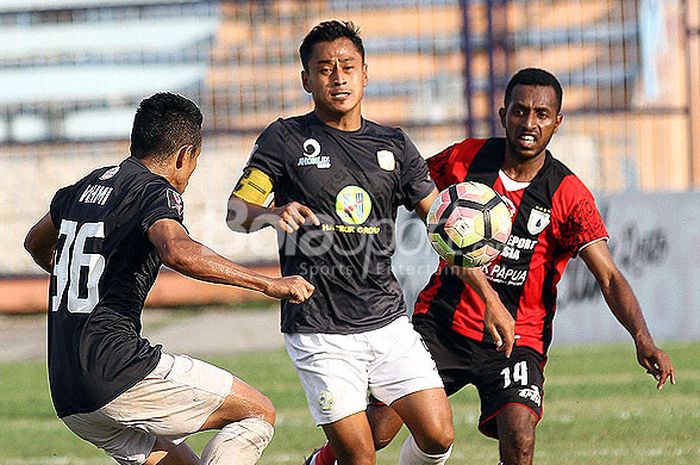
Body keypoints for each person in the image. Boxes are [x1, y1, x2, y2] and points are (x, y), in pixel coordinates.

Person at [303, 68, 676, 465]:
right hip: (442, 324)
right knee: (378, 430)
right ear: (503, 115)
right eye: (520, 112)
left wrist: (642, 337)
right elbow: (402, 186)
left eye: (542, 114)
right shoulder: (465, 158)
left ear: (557, 122)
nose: (529, 124)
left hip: (516, 340)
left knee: (520, 439)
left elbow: (609, 275)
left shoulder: (568, 194)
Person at [226, 20, 515, 465]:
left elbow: (449, 227)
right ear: (307, 79)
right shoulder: (285, 139)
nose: (337, 77)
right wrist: (270, 213)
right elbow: (236, 212)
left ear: (365, 73)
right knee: (360, 458)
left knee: (438, 436)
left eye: (347, 66)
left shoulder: (394, 146)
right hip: (318, 328)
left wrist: (490, 299)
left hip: (385, 320)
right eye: (324, 69)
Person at [24, 92, 315, 465]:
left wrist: (86, 275)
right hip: (118, 371)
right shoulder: (155, 192)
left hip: (67, 390)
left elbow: (35, 242)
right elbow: (177, 250)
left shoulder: (85, 186)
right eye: (194, 162)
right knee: (257, 412)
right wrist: (269, 283)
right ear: (185, 155)